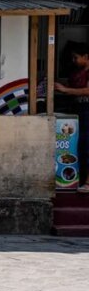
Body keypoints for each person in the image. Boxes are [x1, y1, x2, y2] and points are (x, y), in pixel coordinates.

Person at [55, 42, 89, 193]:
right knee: (78, 145)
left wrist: (65, 89)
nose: (73, 61)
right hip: (78, 110)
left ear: (86, 57)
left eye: (76, 57)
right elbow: (71, 87)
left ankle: (88, 183)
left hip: (87, 110)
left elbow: (87, 91)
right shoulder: (77, 72)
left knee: (87, 145)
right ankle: (78, 178)